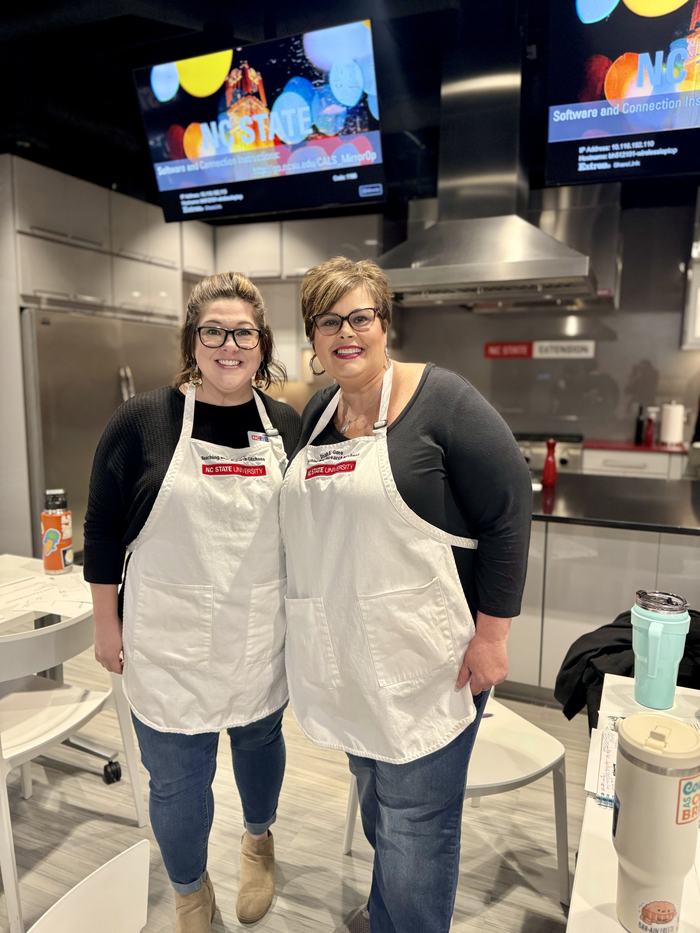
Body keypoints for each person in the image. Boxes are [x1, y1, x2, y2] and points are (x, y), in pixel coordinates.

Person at [280, 257, 532, 933]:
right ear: (313, 333)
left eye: (360, 316)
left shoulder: (441, 399)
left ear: (384, 323)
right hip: (350, 654)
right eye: (328, 320)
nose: (346, 332)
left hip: (431, 655)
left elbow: (510, 508)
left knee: (417, 818)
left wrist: (494, 635)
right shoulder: (317, 412)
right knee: (376, 800)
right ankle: (391, 910)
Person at [84, 272, 301, 933]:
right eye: (214, 331)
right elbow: (101, 526)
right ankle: (189, 890)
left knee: (260, 742)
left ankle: (258, 841)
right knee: (177, 781)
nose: (228, 345)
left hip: (259, 633)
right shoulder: (143, 421)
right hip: (168, 641)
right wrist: (105, 623)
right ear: (192, 340)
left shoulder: (286, 423)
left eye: (243, 332)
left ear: (261, 344)